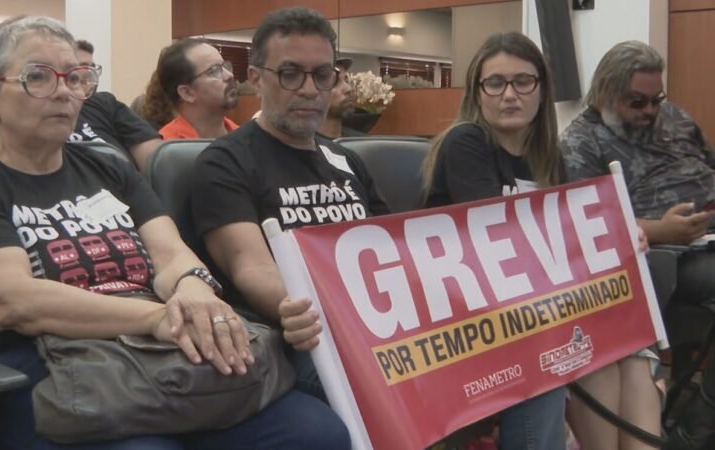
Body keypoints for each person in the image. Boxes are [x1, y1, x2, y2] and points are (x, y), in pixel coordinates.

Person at [0, 15, 349, 450]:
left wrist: (194, 291)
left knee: (318, 434)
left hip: (161, 356)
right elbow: (11, 301)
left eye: (75, 78)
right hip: (58, 374)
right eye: (38, 77)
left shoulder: (109, 168)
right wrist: (156, 318)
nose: (64, 92)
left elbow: (171, 254)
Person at [189, 7, 388, 401]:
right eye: (290, 74)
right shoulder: (224, 162)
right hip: (297, 338)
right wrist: (310, 308)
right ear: (255, 78)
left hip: (373, 325)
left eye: (323, 75)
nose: (310, 90)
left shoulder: (346, 160)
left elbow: (390, 247)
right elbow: (251, 267)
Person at [560, 40, 715, 450]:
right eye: (637, 102)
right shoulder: (581, 142)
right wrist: (662, 230)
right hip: (663, 253)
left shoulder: (673, 115)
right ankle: (694, 432)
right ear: (606, 93)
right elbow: (587, 228)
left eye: (656, 99)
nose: (650, 110)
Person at [421, 31, 568, 450]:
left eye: (523, 81)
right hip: (462, 314)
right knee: (551, 358)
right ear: (477, 92)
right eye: (496, 83)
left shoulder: (549, 156)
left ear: (542, 90)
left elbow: (568, 236)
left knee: (624, 354)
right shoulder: (465, 142)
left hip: (529, 307)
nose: (509, 94)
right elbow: (496, 245)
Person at [70, 39, 162, 172]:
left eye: (93, 68)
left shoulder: (105, 103)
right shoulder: (48, 115)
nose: (91, 74)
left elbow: (152, 155)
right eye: (83, 67)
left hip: (124, 181)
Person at [147, 38, 239, 140]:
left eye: (225, 66)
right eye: (214, 71)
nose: (229, 75)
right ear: (187, 93)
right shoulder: (169, 145)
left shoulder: (244, 138)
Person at [317, 57, 364, 139]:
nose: (349, 89)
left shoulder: (360, 142)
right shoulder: (301, 144)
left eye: (347, 81)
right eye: (334, 82)